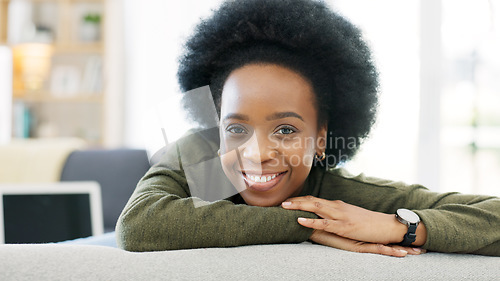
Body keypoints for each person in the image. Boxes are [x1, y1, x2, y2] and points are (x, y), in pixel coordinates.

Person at [116, 0, 500, 256]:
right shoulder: (196, 157)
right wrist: (309, 227)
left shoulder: (341, 196)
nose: (257, 153)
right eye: (235, 129)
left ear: (321, 137)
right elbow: (138, 226)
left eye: (285, 130)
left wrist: (395, 226)